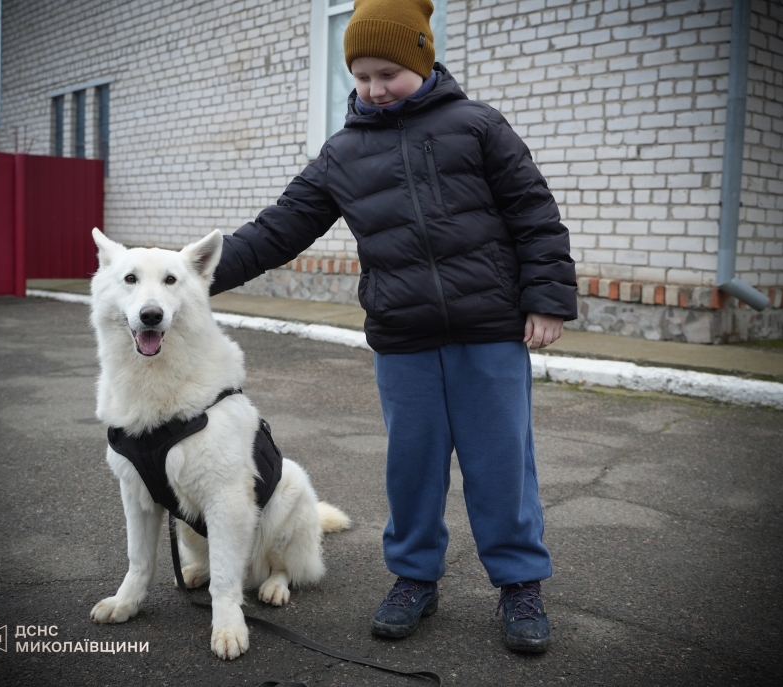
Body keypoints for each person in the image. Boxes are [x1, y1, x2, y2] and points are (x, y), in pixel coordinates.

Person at [211, 0, 577, 653]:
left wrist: (546, 298)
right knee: (413, 466)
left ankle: (520, 584)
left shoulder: (478, 126)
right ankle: (414, 576)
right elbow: (278, 228)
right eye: (362, 76)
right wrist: (189, 277)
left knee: (501, 465)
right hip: (404, 339)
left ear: (422, 60)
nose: (376, 89)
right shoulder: (342, 154)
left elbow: (534, 213)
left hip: (490, 332)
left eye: (389, 73)